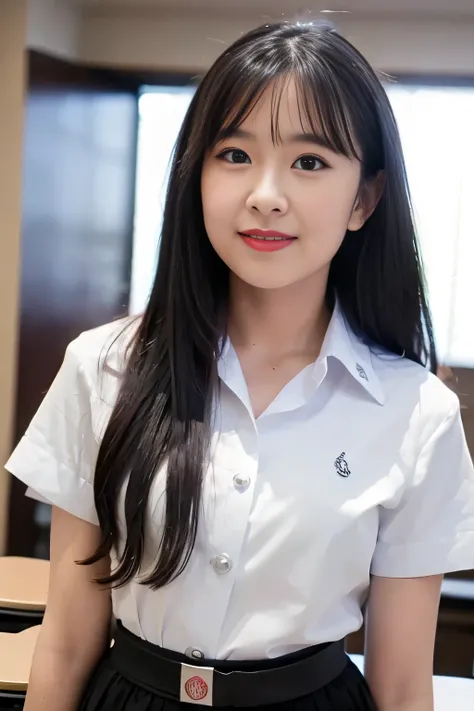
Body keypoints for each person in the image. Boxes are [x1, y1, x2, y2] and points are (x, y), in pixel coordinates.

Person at [5, 20, 474, 711]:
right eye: (233, 154)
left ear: (364, 199)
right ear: (197, 176)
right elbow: (70, 637)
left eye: (310, 162)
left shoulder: (416, 415)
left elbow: (403, 682)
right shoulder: (102, 367)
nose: (265, 193)